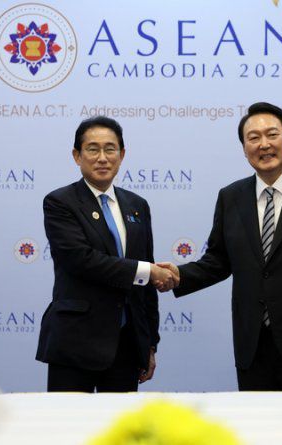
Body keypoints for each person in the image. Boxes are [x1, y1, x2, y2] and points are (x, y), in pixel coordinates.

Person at [158, 102, 282, 391]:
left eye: (272, 134)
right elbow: (218, 261)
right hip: (253, 345)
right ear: (244, 148)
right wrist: (179, 275)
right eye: (253, 138)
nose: (264, 144)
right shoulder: (231, 197)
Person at [36, 116, 174, 392]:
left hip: (126, 345)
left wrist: (149, 343)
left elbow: (145, 288)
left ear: (122, 155)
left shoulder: (137, 205)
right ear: (77, 156)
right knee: (69, 421)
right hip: (75, 344)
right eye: (92, 149)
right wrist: (147, 271)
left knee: (121, 422)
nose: (102, 158)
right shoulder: (60, 202)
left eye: (110, 149)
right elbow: (81, 260)